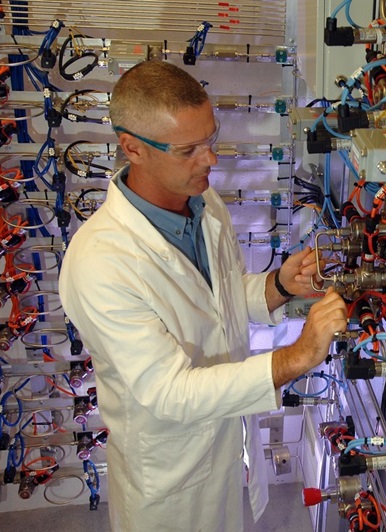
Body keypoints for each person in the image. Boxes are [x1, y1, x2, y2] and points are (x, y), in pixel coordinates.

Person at [58, 60, 347, 531]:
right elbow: (170, 393)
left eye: (210, 139)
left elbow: (218, 301)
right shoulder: (100, 263)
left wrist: (277, 287)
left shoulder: (202, 201)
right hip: (171, 479)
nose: (210, 160)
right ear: (132, 147)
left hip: (224, 443)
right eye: (188, 149)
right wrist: (297, 357)